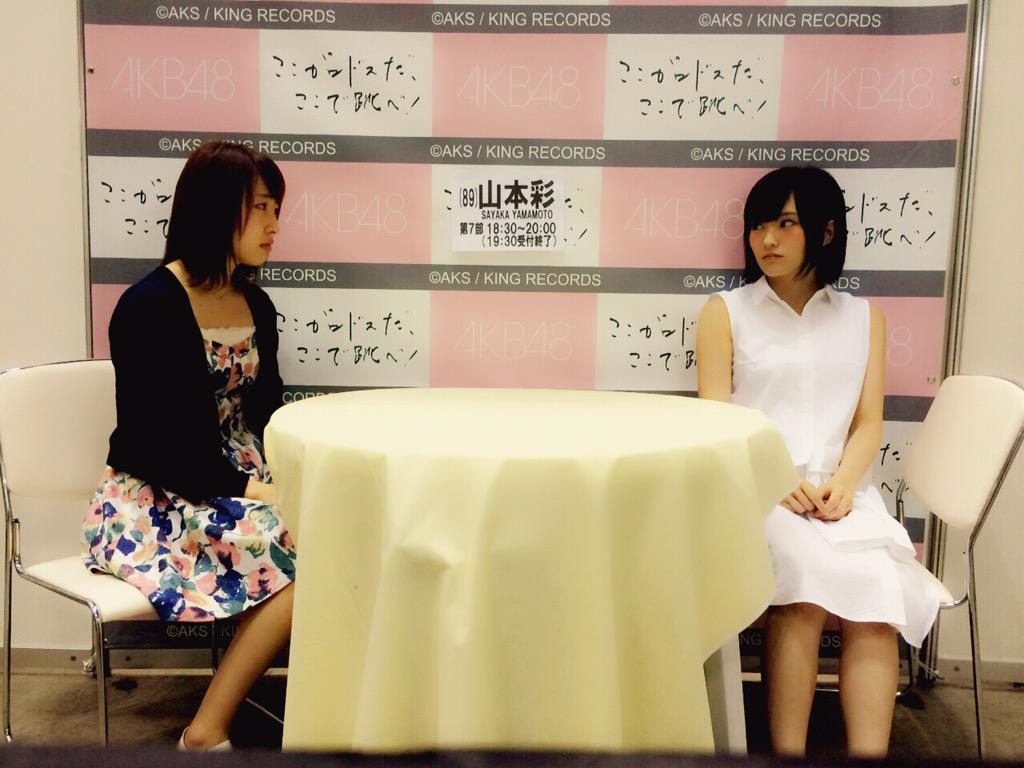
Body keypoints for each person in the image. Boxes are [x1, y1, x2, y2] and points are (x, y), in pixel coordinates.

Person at [696, 166, 940, 758]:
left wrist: (846, 483)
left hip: (843, 492)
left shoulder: (864, 318)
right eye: (759, 225)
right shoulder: (726, 311)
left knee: (877, 594)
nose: (767, 240)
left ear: (826, 231)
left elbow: (868, 422)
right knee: (802, 590)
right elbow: (716, 419)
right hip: (759, 489)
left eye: (786, 224)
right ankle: (789, 754)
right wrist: (774, 479)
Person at [82, 141, 295, 751]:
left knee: (334, 525)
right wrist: (258, 490)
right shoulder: (148, 306)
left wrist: (284, 473)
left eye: (276, 209)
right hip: (156, 498)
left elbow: (267, 411)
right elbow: (157, 445)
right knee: (306, 548)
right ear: (217, 209)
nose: (274, 226)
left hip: (234, 478)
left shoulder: (255, 303)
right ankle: (205, 732)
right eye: (261, 208)